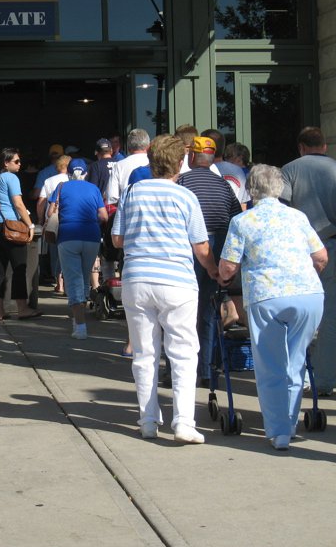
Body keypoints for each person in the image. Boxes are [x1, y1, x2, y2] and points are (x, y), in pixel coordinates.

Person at [111, 134, 219, 444]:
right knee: (183, 352)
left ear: (151, 161)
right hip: (177, 281)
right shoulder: (185, 196)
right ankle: (183, 421)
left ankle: (147, 420)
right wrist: (212, 268)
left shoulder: (131, 192)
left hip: (137, 279)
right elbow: (200, 246)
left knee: (145, 353)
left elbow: (117, 239)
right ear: (180, 163)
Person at [219, 164, 327, 451]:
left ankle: (279, 430)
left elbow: (228, 267)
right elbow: (321, 256)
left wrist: (224, 277)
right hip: (308, 294)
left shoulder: (243, 221)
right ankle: (290, 423)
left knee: (270, 365)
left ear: (251, 190)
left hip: (267, 295)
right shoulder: (297, 216)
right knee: (295, 362)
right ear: (279, 188)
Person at [281, 127, 336, 396]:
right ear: (325, 146)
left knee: (295, 316)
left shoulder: (290, 169)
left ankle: (297, 376)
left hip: (299, 250)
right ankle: (325, 380)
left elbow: (281, 210)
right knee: (330, 318)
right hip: (330, 244)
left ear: (301, 147)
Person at [177, 135, 242, 384]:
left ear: (191, 157)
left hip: (190, 250)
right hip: (218, 249)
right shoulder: (224, 185)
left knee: (181, 313)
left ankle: (177, 370)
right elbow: (237, 220)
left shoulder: (182, 181)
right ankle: (206, 370)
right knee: (207, 312)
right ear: (213, 157)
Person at [48, 158, 107, 339]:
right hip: (91, 236)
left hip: (68, 236)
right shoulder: (94, 188)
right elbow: (103, 216)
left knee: (73, 279)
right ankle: (77, 319)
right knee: (84, 278)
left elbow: (51, 213)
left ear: (68, 172)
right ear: (86, 173)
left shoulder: (61, 187)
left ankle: (80, 326)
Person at [0, 148, 42, 321]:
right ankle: (22, 308)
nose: (19, 164)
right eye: (16, 161)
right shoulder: (11, 177)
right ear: (6, 163)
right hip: (10, 227)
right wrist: (29, 224)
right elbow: (18, 204)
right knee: (19, 268)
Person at [37, 154, 71, 294]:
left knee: (55, 254)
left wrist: (40, 220)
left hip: (53, 221)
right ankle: (68, 282)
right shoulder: (73, 180)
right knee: (69, 252)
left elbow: (41, 202)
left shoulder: (49, 180)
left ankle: (59, 283)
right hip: (69, 219)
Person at [105, 128, 151, 206]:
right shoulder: (156, 163)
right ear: (149, 146)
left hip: (128, 214)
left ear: (128, 148)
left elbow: (112, 198)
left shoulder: (119, 166)